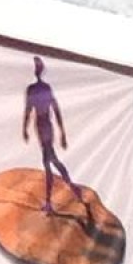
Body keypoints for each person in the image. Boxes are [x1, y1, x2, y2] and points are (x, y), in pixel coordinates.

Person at [22, 56, 84, 215]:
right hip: (42, 126)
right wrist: (25, 128)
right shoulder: (35, 89)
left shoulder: (40, 89)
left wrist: (62, 133)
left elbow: (54, 109)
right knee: (51, 160)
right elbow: (29, 110)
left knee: (48, 162)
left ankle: (53, 199)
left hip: (45, 127)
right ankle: (71, 188)